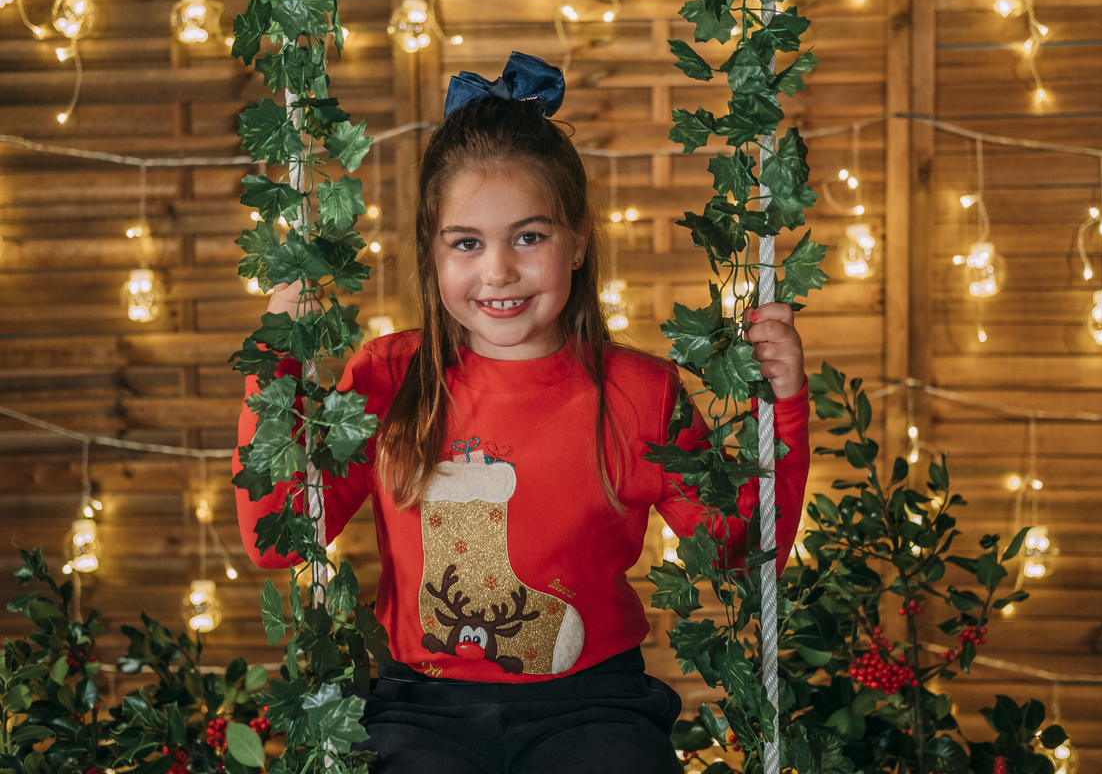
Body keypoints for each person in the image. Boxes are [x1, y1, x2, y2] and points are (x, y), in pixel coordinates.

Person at [233, 52, 811, 774]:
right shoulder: (389, 378)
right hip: (420, 707)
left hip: (594, 706)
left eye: (528, 237)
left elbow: (741, 554)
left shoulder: (638, 394)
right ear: (432, 254)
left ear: (577, 243)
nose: (498, 271)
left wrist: (782, 409)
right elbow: (277, 539)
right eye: (467, 243)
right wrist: (277, 357)